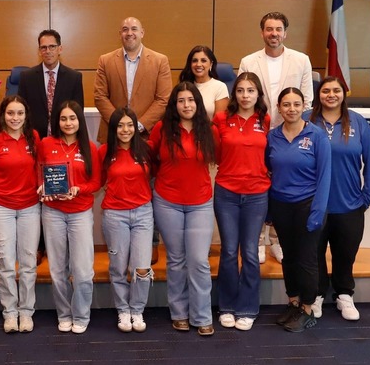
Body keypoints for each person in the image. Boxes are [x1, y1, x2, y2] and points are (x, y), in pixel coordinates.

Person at [237, 11, 314, 265]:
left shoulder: (301, 60)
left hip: (288, 133)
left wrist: (292, 125)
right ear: (262, 32)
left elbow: (307, 100)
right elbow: (244, 97)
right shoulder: (249, 61)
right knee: (259, 183)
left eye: (278, 29)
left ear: (285, 33)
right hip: (257, 132)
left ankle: (278, 240)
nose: (274, 34)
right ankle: (259, 240)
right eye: (269, 29)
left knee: (282, 183)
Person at [306, 76, 370, 321]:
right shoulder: (306, 119)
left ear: (343, 94)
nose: (331, 95)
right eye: (325, 90)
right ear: (318, 94)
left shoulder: (357, 121)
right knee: (314, 253)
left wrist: (367, 195)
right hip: (313, 204)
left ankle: (344, 294)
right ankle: (317, 294)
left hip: (349, 204)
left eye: (336, 90)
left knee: (345, 254)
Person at [150, 82, 218, 337]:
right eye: (181, 100)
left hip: (200, 202)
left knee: (199, 260)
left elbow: (220, 157)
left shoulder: (210, 130)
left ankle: (202, 316)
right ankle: (179, 313)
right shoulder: (162, 129)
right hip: (167, 201)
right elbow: (151, 160)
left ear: (198, 103)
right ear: (174, 105)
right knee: (176, 259)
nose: (186, 105)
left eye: (190, 100)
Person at [266, 87, 331, 333]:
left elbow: (325, 177)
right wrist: (269, 210)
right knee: (288, 257)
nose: (291, 109)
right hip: (281, 205)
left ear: (304, 106)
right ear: (279, 108)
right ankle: (293, 302)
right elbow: (268, 172)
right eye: (286, 104)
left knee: (306, 259)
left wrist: (318, 211)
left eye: (296, 104)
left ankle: (307, 308)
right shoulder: (272, 137)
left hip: (307, 205)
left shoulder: (317, 136)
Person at [212, 72, 270, 331]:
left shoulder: (265, 120)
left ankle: (247, 308)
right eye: (240, 90)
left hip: (257, 195)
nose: (245, 95)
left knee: (249, 252)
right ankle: (226, 306)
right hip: (227, 193)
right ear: (234, 94)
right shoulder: (221, 119)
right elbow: (215, 153)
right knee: (228, 251)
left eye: (251, 90)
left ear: (258, 94)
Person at [38, 100, 101, 334]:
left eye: (72, 118)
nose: (68, 123)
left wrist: (78, 189)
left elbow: (96, 182)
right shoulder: (46, 144)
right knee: (57, 270)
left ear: (79, 120)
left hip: (80, 213)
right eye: (63, 118)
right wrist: (41, 186)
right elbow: (38, 172)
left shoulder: (89, 147)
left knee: (82, 270)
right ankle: (64, 314)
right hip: (53, 212)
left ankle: (81, 314)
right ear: (57, 121)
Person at [0, 95, 41, 333]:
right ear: (2, 115)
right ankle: (10, 313)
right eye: (10, 113)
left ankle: (26, 312)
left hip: (29, 207)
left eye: (19, 113)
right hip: (1, 207)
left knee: (28, 262)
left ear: (26, 116)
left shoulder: (34, 137)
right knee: (5, 262)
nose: (15, 118)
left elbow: (39, 169)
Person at [100, 107, 155, 333]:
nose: (125, 130)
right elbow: (96, 181)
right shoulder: (104, 151)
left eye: (130, 125)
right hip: (115, 215)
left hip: (143, 213)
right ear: (113, 128)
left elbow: (155, 175)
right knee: (118, 267)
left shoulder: (147, 149)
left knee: (142, 267)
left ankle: (137, 309)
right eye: (120, 125)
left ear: (136, 127)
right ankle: (123, 310)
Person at [93, 16, 172, 143]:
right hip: (112, 135)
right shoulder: (105, 60)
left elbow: (163, 100)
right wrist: (120, 124)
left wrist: (139, 125)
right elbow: (100, 97)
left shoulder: (160, 61)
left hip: (146, 136)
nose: (129, 33)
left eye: (134, 29)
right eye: (125, 29)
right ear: (120, 34)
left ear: (142, 33)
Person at [17, 29, 85, 138]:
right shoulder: (27, 77)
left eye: (52, 46)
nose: (48, 51)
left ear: (60, 49)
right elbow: (21, 109)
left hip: (63, 136)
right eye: (43, 47)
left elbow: (78, 112)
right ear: (39, 51)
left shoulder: (74, 77)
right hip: (34, 137)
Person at [179, 45, 229, 120]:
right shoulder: (184, 86)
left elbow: (219, 121)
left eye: (203, 60)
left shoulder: (220, 87)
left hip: (209, 127)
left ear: (211, 64)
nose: (198, 64)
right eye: (195, 61)